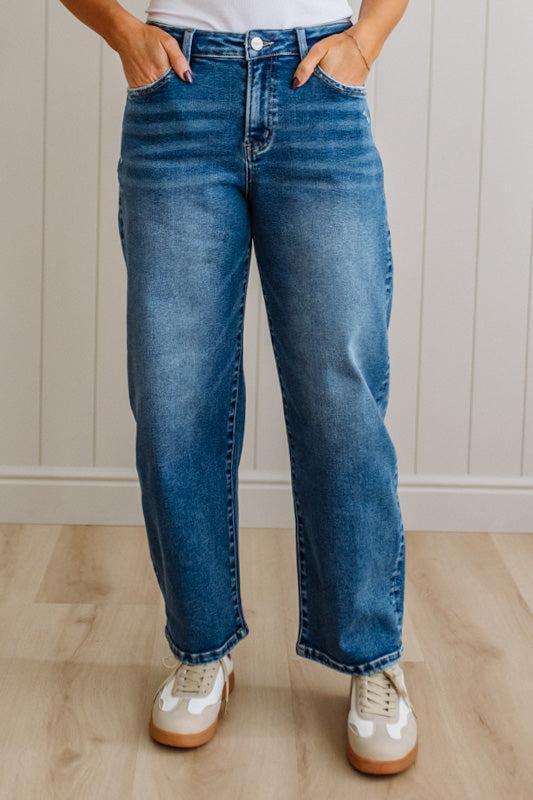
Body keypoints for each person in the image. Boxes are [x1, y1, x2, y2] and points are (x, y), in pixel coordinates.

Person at [61, 0, 417, 775]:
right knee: (172, 397)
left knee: (342, 396)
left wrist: (366, 39)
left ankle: (370, 657)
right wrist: (122, 32)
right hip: (178, 99)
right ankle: (201, 646)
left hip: (317, 90)